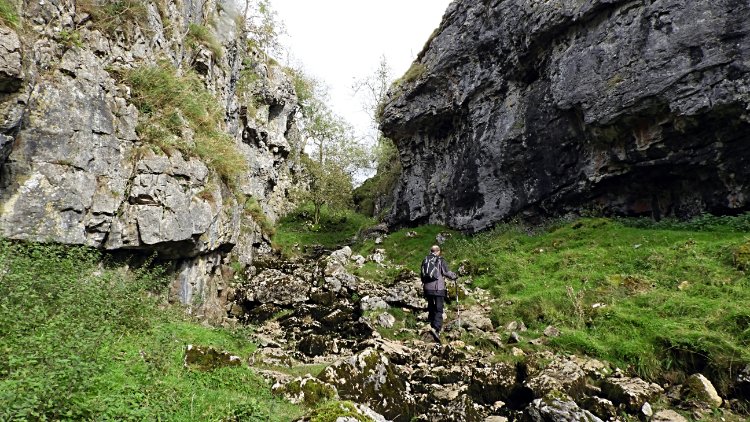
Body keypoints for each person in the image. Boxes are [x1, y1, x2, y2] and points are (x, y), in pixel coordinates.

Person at [421, 245, 458, 342]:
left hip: (427, 288)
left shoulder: (425, 260)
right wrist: (455, 276)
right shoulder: (440, 260)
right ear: (439, 252)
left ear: (430, 251)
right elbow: (446, 272)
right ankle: (437, 329)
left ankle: (432, 324)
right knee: (439, 308)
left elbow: (422, 274)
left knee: (431, 306)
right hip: (438, 288)